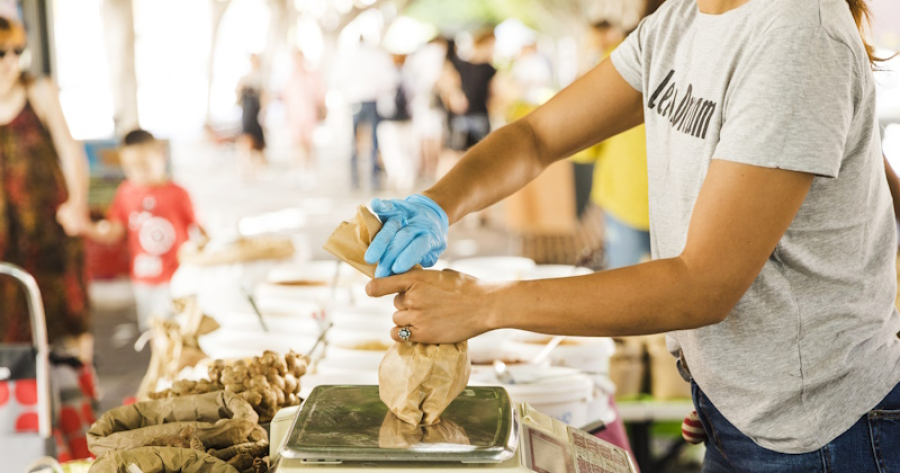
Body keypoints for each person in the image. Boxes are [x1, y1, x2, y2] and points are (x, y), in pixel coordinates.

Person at [363, 0, 900, 471]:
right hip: (746, 420)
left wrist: (484, 304)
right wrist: (437, 202)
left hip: (824, 438)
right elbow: (536, 137)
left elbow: (703, 285)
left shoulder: (797, 35)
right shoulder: (680, 21)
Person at [0, 17, 93, 363]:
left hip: (48, 221)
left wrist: (77, 203)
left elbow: (70, 151)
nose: (12, 62)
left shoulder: (38, 91)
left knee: (67, 310)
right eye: (1, 53)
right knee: (11, 317)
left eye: (18, 51)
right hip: (4, 233)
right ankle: (22, 401)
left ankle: (81, 394)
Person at [82, 130, 203, 331]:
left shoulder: (178, 193)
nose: (137, 171)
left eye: (144, 164)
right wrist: (86, 227)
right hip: (142, 280)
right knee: (152, 331)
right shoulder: (125, 192)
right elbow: (114, 231)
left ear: (161, 157)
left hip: (176, 277)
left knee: (176, 330)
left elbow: (200, 231)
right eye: (130, 167)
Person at [448, 30, 497, 152]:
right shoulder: (459, 64)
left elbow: (495, 95)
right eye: (491, 46)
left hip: (480, 117)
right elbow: (445, 81)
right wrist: (454, 93)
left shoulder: (490, 70)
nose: (492, 50)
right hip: (461, 118)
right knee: (454, 154)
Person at [282, 49, 325, 168]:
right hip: (294, 116)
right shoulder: (290, 78)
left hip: (309, 115)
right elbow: (286, 98)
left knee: (308, 143)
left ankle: (308, 169)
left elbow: (319, 95)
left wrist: (321, 110)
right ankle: (300, 170)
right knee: (297, 143)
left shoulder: (312, 76)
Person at [236, 54, 266, 173]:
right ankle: (246, 165)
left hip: (255, 112)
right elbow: (238, 93)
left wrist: (263, 112)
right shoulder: (244, 78)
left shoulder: (260, 78)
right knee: (246, 138)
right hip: (247, 112)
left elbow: (264, 95)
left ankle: (256, 166)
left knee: (258, 141)